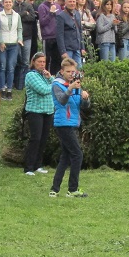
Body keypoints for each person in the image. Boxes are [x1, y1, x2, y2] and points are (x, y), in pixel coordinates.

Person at [49, 57, 90, 198]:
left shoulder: (75, 84)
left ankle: (54, 189)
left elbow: (83, 106)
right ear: (62, 71)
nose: (71, 74)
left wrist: (85, 98)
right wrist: (70, 89)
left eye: (73, 71)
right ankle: (72, 189)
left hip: (72, 123)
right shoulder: (57, 84)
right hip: (63, 124)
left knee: (65, 157)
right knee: (77, 154)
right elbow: (61, 100)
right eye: (68, 71)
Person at [23, 52, 54, 176]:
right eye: (39, 61)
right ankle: (28, 167)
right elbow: (43, 90)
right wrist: (53, 83)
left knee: (43, 139)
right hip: (35, 111)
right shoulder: (31, 75)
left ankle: (38, 165)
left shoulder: (44, 76)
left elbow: (52, 88)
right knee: (35, 139)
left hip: (47, 111)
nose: (42, 64)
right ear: (34, 62)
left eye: (44, 62)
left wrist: (50, 78)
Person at [0, 0, 23, 99]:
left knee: (11, 67)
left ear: (12, 3)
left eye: (10, 2)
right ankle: (2, 88)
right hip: (3, 44)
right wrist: (1, 41)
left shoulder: (17, 15)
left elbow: (19, 28)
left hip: (14, 44)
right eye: (6, 2)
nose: (8, 4)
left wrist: (19, 39)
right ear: (3, 4)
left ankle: (9, 89)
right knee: (2, 66)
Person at [55, 0, 85, 64]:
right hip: (67, 49)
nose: (72, 3)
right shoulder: (61, 16)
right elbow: (59, 35)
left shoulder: (77, 14)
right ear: (66, 3)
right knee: (69, 70)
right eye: (70, 2)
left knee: (79, 70)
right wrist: (63, 51)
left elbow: (80, 31)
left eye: (73, 2)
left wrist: (82, 47)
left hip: (77, 47)